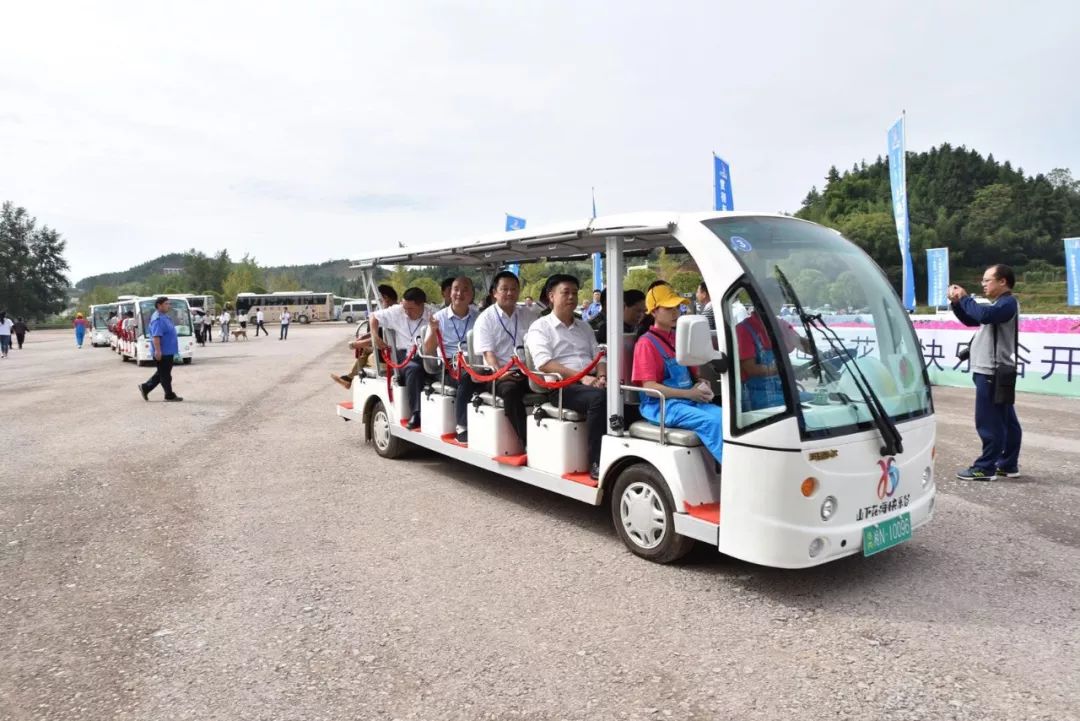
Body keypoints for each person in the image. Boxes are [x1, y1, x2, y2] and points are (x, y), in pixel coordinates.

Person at [525, 274, 608, 479]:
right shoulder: (540, 327)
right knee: (599, 399)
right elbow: (544, 363)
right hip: (563, 387)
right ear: (551, 296)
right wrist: (582, 377)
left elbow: (599, 355)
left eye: (575, 293)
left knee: (625, 393)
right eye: (566, 293)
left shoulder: (584, 326)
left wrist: (602, 375)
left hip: (590, 381)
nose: (571, 297)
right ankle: (597, 461)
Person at [632, 285, 725, 467]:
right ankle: (732, 473)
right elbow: (650, 388)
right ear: (654, 311)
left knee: (725, 418)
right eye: (669, 308)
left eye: (677, 308)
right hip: (662, 406)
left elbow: (691, 374)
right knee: (712, 422)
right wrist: (689, 394)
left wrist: (699, 382)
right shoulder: (645, 344)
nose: (675, 313)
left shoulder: (679, 338)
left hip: (689, 402)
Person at [948, 264, 1022, 481]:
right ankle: (1008, 464)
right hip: (994, 371)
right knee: (1007, 421)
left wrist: (965, 298)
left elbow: (984, 315)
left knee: (989, 422)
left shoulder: (1007, 303)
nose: (983, 284)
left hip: (992, 371)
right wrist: (957, 304)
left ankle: (985, 467)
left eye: (987, 280)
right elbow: (973, 319)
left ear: (1003, 282)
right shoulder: (999, 304)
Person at [474, 271, 540, 448]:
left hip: (527, 371)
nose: (509, 293)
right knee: (510, 391)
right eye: (504, 289)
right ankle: (527, 441)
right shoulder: (485, 319)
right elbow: (488, 355)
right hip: (497, 374)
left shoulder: (529, 315)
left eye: (513, 289)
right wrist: (501, 374)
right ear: (494, 292)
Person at [735, 282, 813, 410]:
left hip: (781, 390)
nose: (778, 303)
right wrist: (785, 369)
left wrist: (821, 354)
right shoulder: (743, 330)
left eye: (779, 299)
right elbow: (751, 369)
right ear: (758, 301)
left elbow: (802, 343)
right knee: (810, 401)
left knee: (816, 400)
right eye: (773, 298)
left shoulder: (781, 325)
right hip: (757, 395)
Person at [422, 277, 480, 442]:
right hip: (449, 367)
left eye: (465, 289)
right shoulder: (438, 318)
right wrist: (433, 331)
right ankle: (462, 426)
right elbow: (428, 350)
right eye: (456, 289)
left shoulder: (479, 317)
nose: (459, 293)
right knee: (468, 378)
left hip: (475, 363)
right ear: (450, 293)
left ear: (472, 294)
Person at [370, 287, 432, 429]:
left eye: (410, 309)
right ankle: (416, 413)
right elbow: (373, 316)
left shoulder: (432, 314)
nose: (406, 312)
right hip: (404, 356)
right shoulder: (397, 311)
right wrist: (375, 335)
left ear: (422, 305)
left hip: (426, 354)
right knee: (413, 368)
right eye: (405, 307)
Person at [331, 285, 399, 390]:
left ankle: (349, 378)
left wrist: (356, 344)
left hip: (392, 352)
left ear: (386, 298)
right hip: (388, 348)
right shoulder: (389, 310)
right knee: (365, 350)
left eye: (380, 300)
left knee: (367, 353)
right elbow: (377, 332)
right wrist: (362, 338)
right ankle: (348, 378)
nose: (379, 303)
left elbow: (380, 338)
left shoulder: (390, 312)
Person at [138, 296, 183, 402]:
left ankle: (145, 387)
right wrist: (158, 351)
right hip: (163, 352)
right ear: (159, 305)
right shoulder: (157, 319)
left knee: (162, 373)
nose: (169, 306)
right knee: (165, 375)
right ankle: (169, 395)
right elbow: (156, 336)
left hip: (168, 351)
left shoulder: (164, 316)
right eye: (166, 304)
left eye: (169, 303)